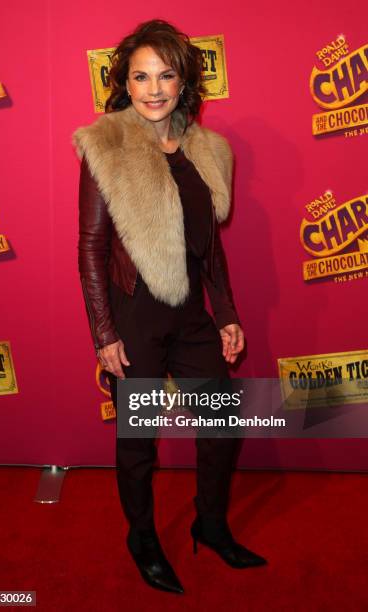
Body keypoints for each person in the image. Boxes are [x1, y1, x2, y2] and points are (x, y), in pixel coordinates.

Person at [73, 19, 267, 594]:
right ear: (124, 84)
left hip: (191, 317)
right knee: (137, 441)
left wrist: (227, 312)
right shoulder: (105, 145)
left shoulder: (208, 150)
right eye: (141, 76)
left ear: (184, 82)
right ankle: (142, 536)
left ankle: (210, 525)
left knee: (221, 426)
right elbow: (91, 245)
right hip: (135, 317)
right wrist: (103, 332)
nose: (153, 88)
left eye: (166, 75)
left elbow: (210, 248)